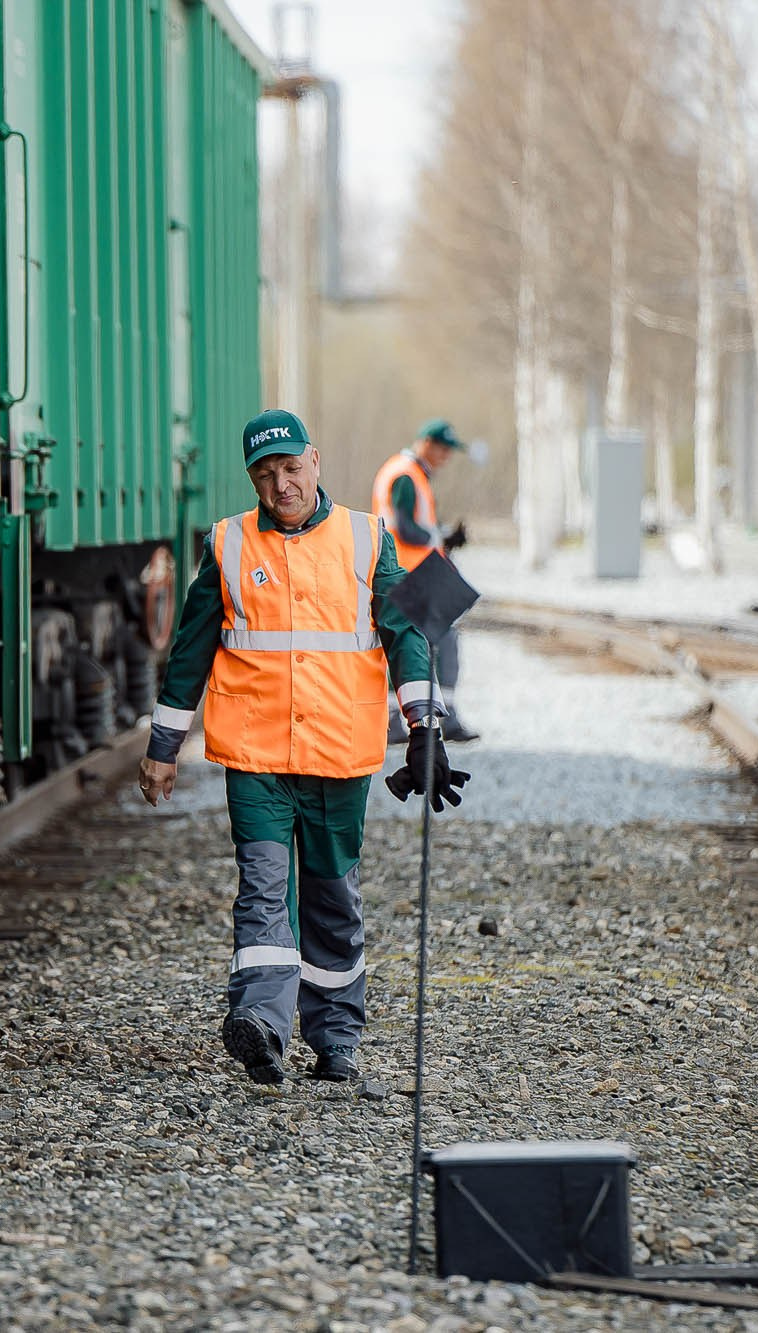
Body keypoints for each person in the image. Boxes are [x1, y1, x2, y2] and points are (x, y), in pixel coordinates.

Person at [137, 408, 469, 1088]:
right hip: (256, 758)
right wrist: (164, 744)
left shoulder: (363, 538)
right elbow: (191, 647)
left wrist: (425, 728)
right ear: (253, 479)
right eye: (265, 474)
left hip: (339, 758)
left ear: (314, 462)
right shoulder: (227, 545)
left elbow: (405, 635)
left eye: (290, 468)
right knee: (261, 892)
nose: (280, 484)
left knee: (331, 900)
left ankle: (336, 1039)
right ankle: (262, 1023)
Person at [372, 419, 477, 743]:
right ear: (427, 443)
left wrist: (443, 538)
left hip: (403, 569)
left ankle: (394, 721)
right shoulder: (406, 475)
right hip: (410, 572)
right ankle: (447, 719)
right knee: (442, 640)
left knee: (405, 645)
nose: (446, 457)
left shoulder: (405, 471)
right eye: (444, 449)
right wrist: (439, 536)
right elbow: (405, 530)